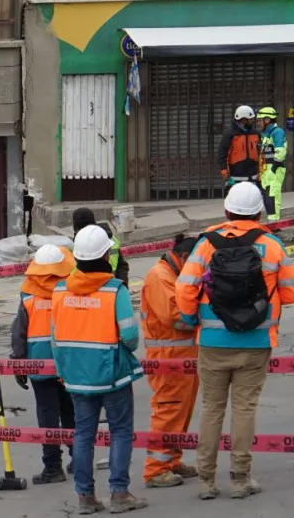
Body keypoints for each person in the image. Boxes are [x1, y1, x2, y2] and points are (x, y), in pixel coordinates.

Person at [176, 181, 294, 500]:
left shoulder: (207, 244)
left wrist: (190, 318)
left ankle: (206, 480)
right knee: (244, 409)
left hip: (213, 341)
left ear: (226, 210)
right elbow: (290, 292)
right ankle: (241, 479)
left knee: (211, 408)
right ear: (259, 213)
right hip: (256, 341)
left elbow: (184, 287)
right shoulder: (272, 245)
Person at [52, 225, 146, 514]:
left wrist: (64, 370)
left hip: (76, 377)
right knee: (120, 431)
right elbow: (130, 337)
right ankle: (119, 493)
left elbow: (56, 339)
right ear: (106, 256)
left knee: (83, 434)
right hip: (112, 375)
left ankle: (85, 498)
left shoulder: (59, 291)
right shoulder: (115, 290)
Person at [10, 244, 77, 484]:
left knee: (47, 414)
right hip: (68, 362)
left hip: (39, 363)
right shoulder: (72, 288)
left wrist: (18, 364)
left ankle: (52, 467)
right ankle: (79, 459)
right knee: (71, 411)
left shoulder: (28, 294)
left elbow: (19, 332)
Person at [140, 233, 200, 489]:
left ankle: (172, 460)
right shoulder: (160, 276)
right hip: (169, 360)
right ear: (184, 257)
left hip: (182, 357)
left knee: (180, 412)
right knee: (168, 411)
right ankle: (156, 469)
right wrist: (205, 313)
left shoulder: (171, 275)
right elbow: (176, 317)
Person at [72, 207, 128, 284]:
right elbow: (122, 267)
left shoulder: (73, 246)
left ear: (75, 227)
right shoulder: (111, 240)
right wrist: (122, 285)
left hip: (83, 287)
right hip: (111, 286)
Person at [217, 105, 260, 190]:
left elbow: (260, 152)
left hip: (253, 176)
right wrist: (224, 171)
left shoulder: (255, 133)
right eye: (250, 119)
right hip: (236, 176)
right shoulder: (230, 134)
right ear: (244, 119)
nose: (252, 121)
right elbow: (222, 153)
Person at [257, 106, 287, 222]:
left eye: (260, 120)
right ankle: (272, 222)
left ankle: (274, 223)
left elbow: (280, 151)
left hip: (274, 168)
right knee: (267, 196)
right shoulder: (266, 135)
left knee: (272, 195)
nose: (258, 123)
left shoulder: (277, 132)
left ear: (267, 120)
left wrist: (274, 166)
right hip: (266, 170)